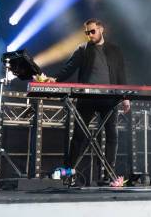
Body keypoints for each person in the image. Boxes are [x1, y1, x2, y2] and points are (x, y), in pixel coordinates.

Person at [46, 18, 130, 184]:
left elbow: (121, 74)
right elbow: (69, 68)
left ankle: (108, 175)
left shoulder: (115, 50)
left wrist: (125, 98)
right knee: (78, 135)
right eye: (87, 32)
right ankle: (68, 174)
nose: (90, 35)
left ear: (101, 29)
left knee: (112, 135)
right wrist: (55, 80)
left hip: (110, 98)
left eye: (92, 31)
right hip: (87, 98)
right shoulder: (83, 50)